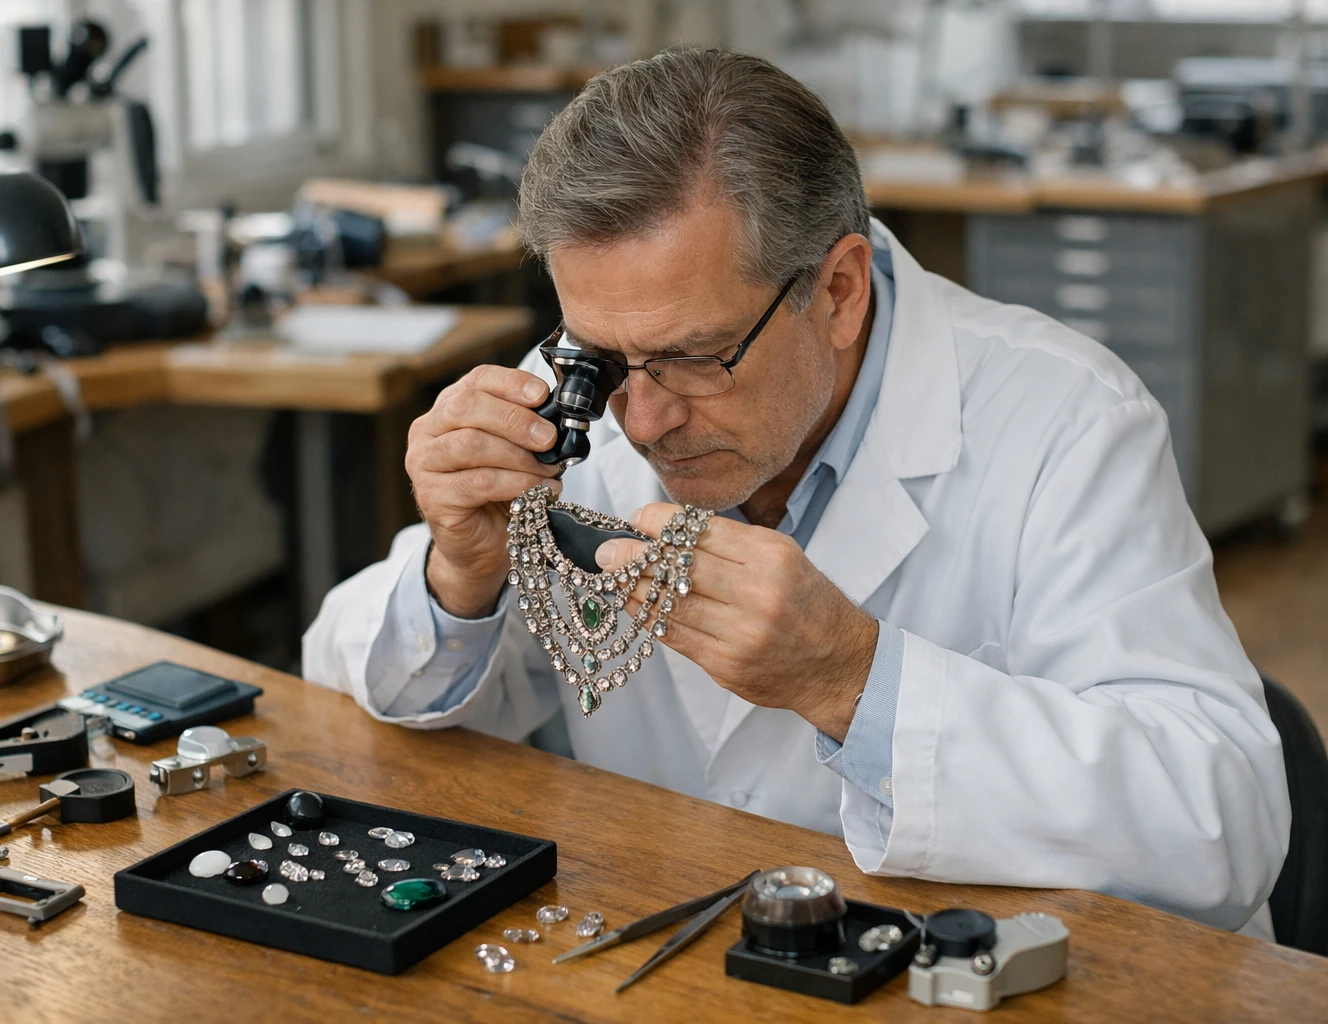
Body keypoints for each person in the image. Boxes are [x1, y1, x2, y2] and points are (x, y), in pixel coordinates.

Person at [304, 48, 1288, 938]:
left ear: (841, 290)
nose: (639, 423)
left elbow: (1222, 820)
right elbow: (358, 700)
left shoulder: (1067, 420)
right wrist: (460, 576)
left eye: (693, 359)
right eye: (603, 358)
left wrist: (854, 681)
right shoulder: (600, 381)